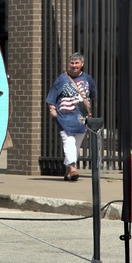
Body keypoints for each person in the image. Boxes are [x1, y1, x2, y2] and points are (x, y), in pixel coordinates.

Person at [46, 53, 98, 181]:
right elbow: (52, 95)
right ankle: (73, 168)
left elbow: (92, 94)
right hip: (64, 116)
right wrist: (52, 108)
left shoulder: (87, 79)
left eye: (77, 63)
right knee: (68, 141)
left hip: (81, 117)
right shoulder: (62, 78)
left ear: (82, 64)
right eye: (72, 63)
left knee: (76, 144)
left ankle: (68, 170)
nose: (74, 66)